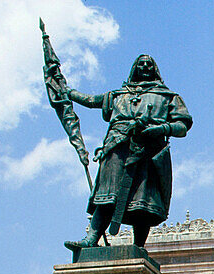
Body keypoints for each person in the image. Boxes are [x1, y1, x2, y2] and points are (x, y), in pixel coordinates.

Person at [65, 54, 192, 250]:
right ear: (134, 67)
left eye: (149, 64)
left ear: (155, 69)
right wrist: (67, 91)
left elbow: (182, 126)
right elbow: (90, 100)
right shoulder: (118, 95)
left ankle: (138, 247)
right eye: (141, 63)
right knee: (106, 195)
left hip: (148, 150)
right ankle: (91, 239)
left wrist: (162, 129)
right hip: (116, 146)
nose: (145, 66)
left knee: (142, 201)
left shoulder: (168, 96)